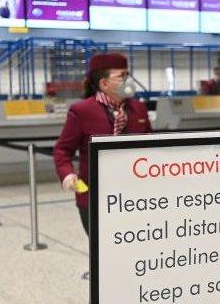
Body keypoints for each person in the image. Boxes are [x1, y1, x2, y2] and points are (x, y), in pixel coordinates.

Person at [53, 53, 152, 237]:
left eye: (127, 75)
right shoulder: (82, 111)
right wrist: (67, 174)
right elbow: (62, 149)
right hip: (94, 196)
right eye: (121, 76)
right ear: (104, 83)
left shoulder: (138, 108)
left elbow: (151, 145)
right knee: (102, 252)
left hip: (134, 197)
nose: (127, 80)